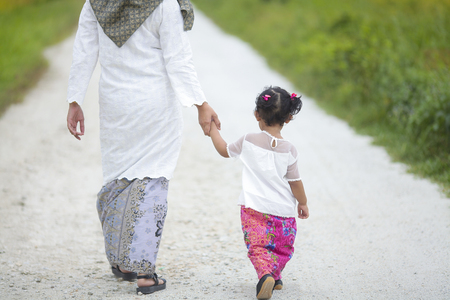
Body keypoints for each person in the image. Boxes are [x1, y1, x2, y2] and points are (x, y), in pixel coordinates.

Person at [65, 0, 220, 295]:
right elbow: (178, 58)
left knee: (118, 180)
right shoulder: (165, 5)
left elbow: (84, 53)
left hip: (115, 105)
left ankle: (123, 264)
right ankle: (145, 271)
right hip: (155, 103)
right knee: (152, 180)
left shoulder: (95, 4)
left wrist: (75, 100)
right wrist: (201, 103)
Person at [209, 86, 309, 300]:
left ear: (257, 114)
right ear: (288, 119)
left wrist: (212, 130)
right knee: (282, 247)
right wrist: (303, 203)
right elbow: (295, 182)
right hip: (283, 211)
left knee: (258, 246)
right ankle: (275, 274)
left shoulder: (248, 140)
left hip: (253, 207)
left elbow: (224, 150)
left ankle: (266, 275)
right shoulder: (290, 149)